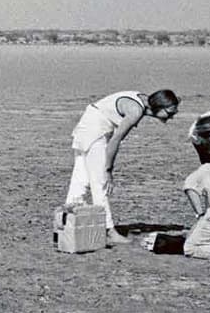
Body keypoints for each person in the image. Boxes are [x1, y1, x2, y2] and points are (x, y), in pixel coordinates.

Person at [63, 88, 178, 237]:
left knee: (80, 179)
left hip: (88, 126)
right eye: (169, 113)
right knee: (101, 182)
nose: (171, 117)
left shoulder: (142, 101)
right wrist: (109, 170)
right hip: (95, 131)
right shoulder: (135, 111)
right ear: (158, 106)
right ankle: (109, 230)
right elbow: (115, 141)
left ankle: (68, 225)